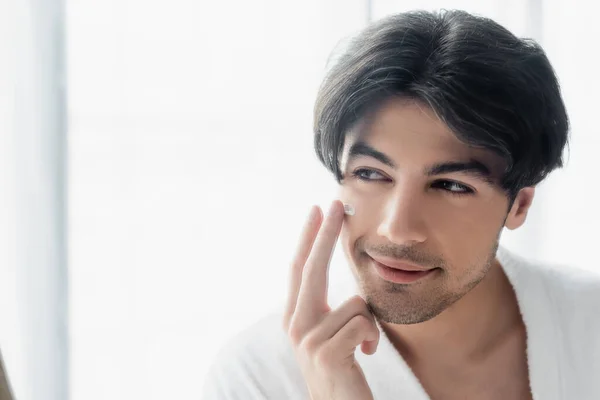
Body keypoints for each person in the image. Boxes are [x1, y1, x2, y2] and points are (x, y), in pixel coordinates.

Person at [202, 9, 600, 400]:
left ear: (519, 205)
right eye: (371, 174)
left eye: (450, 185)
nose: (397, 228)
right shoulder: (257, 378)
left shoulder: (588, 325)